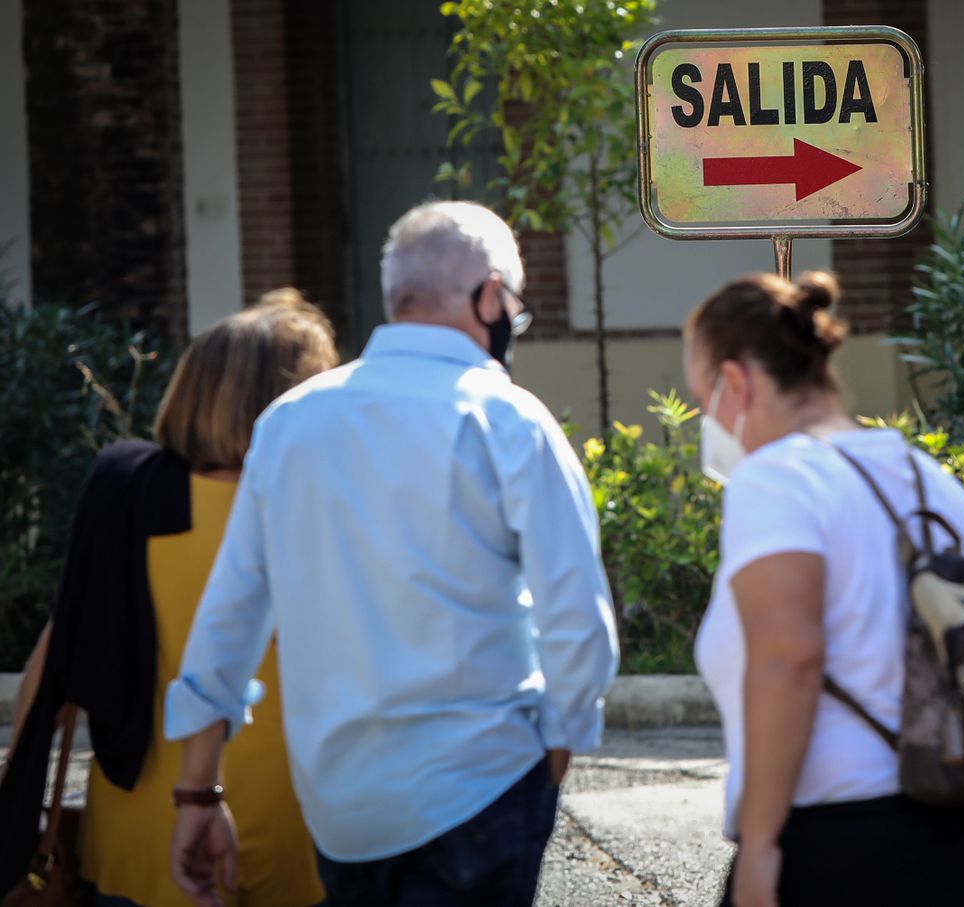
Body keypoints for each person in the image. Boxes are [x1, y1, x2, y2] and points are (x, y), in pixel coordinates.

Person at [163, 201, 620, 907]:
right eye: (515, 307)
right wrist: (561, 742)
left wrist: (198, 789)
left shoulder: (288, 423)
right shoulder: (507, 418)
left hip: (341, 807)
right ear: (490, 296)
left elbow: (232, 611)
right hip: (482, 783)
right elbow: (577, 617)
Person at [684, 271, 964, 907]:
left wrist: (759, 845)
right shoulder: (932, 481)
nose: (708, 421)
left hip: (844, 850)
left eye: (704, 400)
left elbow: (788, 658)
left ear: (736, 382)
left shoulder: (777, 478)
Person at [0, 291, 337, 907]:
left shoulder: (127, 499)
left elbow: (49, 673)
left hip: (141, 837)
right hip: (305, 832)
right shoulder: (327, 510)